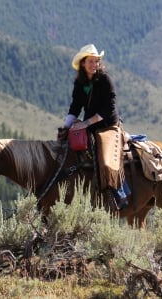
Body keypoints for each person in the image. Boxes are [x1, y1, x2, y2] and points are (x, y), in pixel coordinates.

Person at [59, 43, 130, 210]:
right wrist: (66, 127)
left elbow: (109, 109)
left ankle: (119, 195)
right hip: (89, 127)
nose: (94, 65)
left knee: (106, 160)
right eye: (90, 61)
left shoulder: (105, 81)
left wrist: (86, 123)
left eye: (96, 61)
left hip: (108, 126)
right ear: (83, 63)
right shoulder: (79, 83)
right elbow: (75, 106)